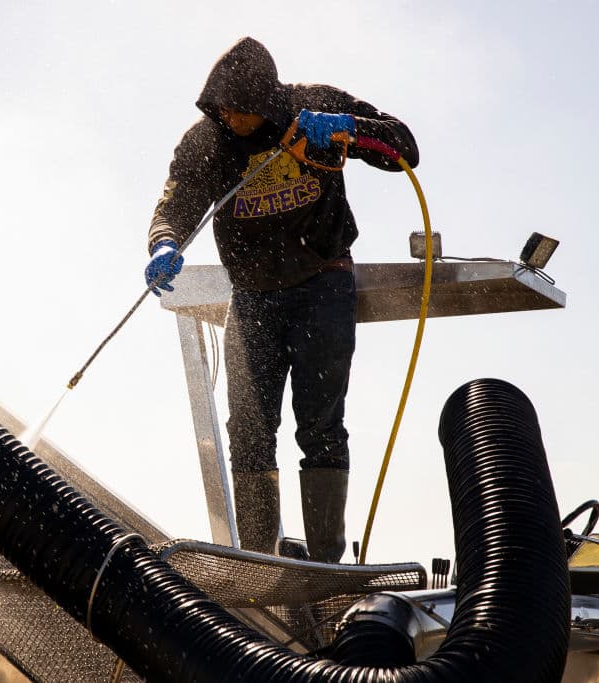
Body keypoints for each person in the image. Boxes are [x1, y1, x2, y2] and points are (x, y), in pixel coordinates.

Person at [144, 37, 418, 562]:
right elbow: (174, 201)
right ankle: (260, 560)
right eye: (222, 109)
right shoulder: (205, 143)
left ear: (267, 103)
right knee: (247, 429)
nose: (232, 118)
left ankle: (323, 564)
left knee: (319, 426)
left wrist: (348, 129)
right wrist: (164, 242)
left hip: (322, 284)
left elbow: (405, 147)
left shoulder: (314, 105)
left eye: (242, 110)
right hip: (252, 297)